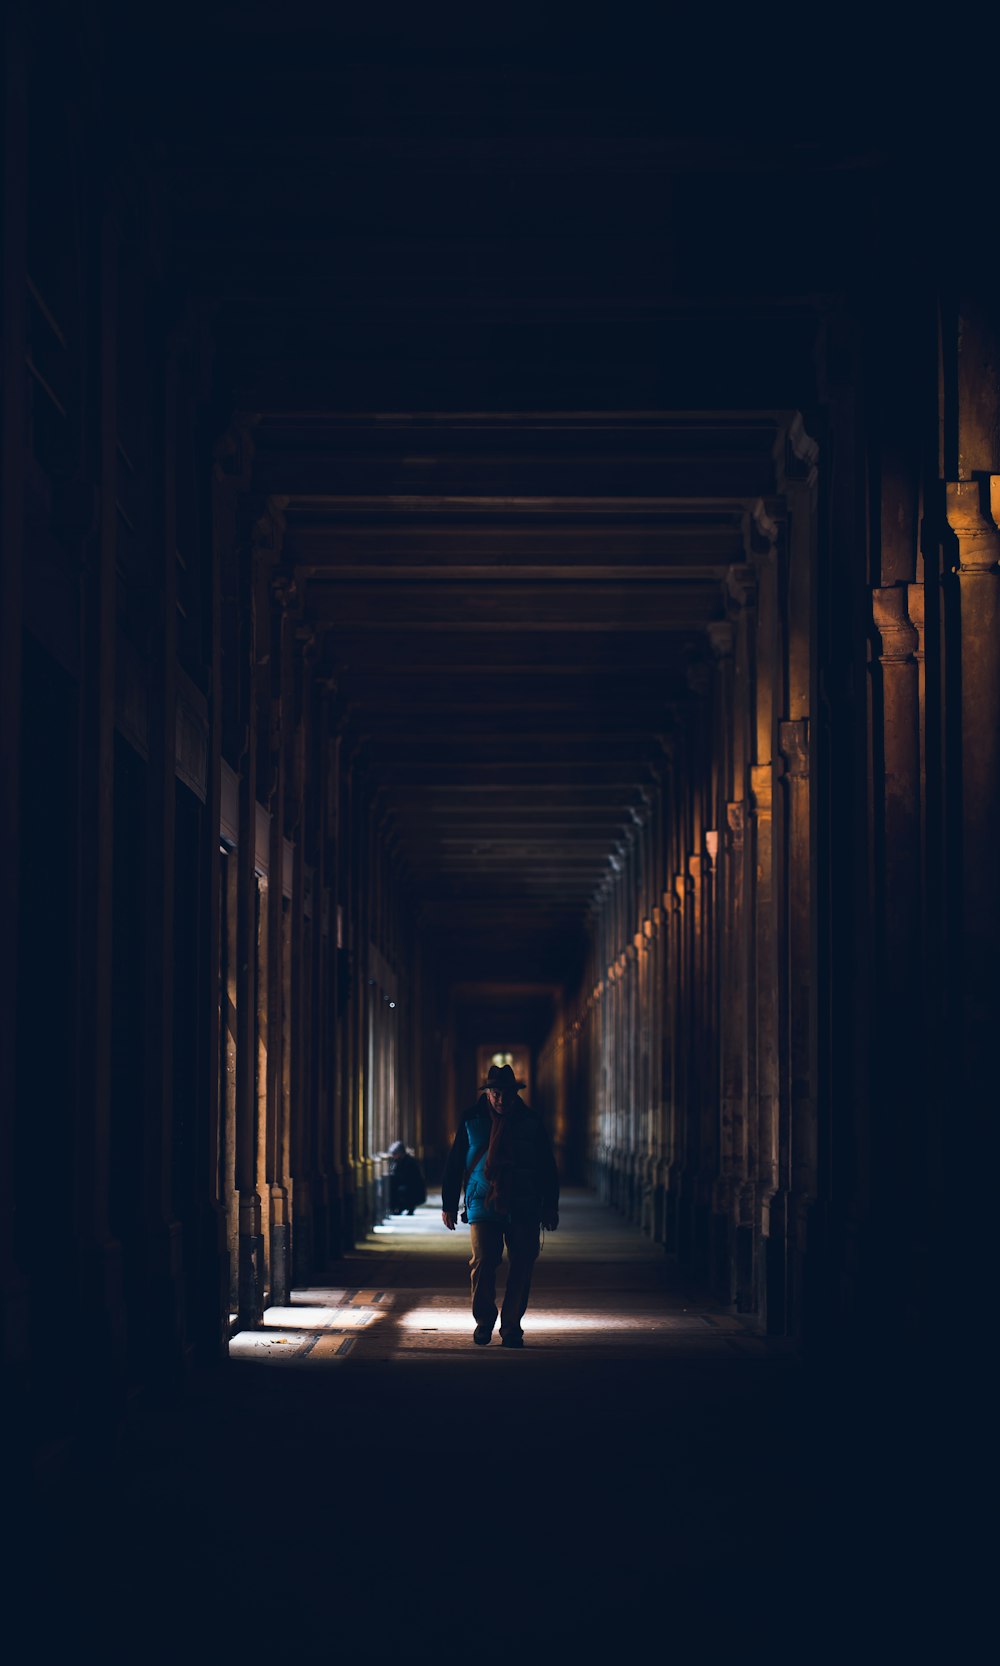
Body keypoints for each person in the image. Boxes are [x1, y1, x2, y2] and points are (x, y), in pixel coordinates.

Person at [441, 1062, 559, 1348]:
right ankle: (484, 1322)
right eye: (496, 1093)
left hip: (525, 1203)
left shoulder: (531, 1122)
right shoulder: (471, 1120)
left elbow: (547, 1167)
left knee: (522, 1264)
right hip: (482, 1203)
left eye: (506, 1093)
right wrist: (448, 1203)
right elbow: (455, 1163)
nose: (501, 1099)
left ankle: (511, 1327)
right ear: (488, 1093)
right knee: (483, 1261)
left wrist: (550, 1206)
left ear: (515, 1093)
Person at [388, 1140, 427, 1215]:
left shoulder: (410, 1162)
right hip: (405, 1184)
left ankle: (403, 1207)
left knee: (400, 1190)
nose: (393, 1156)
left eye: (395, 1154)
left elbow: (408, 1177)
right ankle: (396, 1208)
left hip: (412, 1186)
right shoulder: (397, 1161)